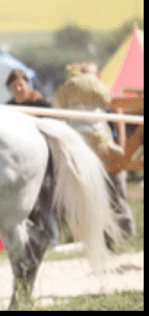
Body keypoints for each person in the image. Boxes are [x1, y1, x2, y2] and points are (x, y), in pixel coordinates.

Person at [57, 63, 135, 238]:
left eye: (88, 73)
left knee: (117, 193)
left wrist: (122, 148)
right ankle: (103, 233)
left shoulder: (107, 95)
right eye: (82, 73)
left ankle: (127, 233)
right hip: (87, 153)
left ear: (98, 75)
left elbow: (119, 121)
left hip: (110, 151)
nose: (85, 77)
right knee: (93, 196)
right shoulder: (75, 98)